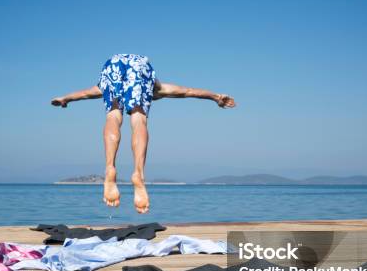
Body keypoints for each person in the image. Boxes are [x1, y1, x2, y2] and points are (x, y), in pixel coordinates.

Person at [51, 53, 236, 214]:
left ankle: (109, 167)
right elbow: (189, 91)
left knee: (113, 116)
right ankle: (138, 173)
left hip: (112, 63)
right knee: (138, 118)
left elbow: (83, 94)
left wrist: (65, 98)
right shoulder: (158, 88)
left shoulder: (103, 86)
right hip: (141, 66)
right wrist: (216, 97)